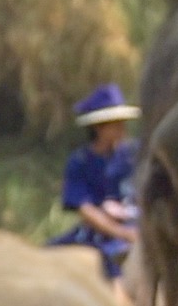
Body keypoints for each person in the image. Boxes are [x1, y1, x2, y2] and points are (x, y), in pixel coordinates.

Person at [49, 83, 140, 286]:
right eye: (115, 123)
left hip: (137, 224)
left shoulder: (135, 154)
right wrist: (123, 233)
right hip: (101, 232)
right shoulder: (80, 162)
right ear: (99, 128)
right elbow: (85, 209)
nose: (122, 127)